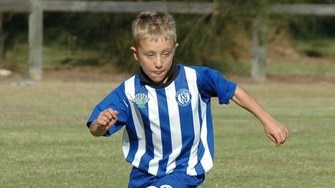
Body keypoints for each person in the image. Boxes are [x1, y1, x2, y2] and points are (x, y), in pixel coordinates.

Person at [86, 11, 289, 188]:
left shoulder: (196, 79)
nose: (158, 63)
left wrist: (268, 120)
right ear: (136, 54)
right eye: (150, 55)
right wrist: (101, 125)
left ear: (175, 48)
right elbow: (95, 130)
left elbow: (234, 91)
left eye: (166, 54)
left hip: (185, 169)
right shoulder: (129, 91)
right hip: (143, 173)